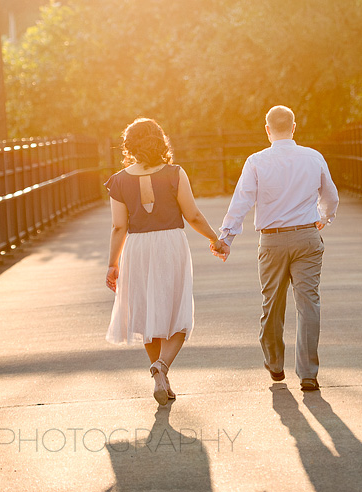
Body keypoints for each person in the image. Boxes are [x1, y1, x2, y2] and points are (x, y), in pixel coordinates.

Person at [215, 105, 340, 392]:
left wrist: (226, 238)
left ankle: (274, 362)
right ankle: (308, 372)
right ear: (294, 127)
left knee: (272, 304)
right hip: (307, 238)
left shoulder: (256, 161)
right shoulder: (313, 157)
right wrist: (323, 219)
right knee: (309, 304)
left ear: (267, 129)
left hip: (271, 241)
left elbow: (242, 201)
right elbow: (330, 196)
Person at [104, 117, 225, 405]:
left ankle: (159, 375)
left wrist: (112, 263)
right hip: (171, 244)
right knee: (178, 311)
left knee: (147, 313)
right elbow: (192, 214)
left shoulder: (118, 181)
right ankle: (162, 367)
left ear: (129, 145)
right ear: (160, 141)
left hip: (138, 248)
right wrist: (214, 239)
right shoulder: (175, 174)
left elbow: (118, 227)